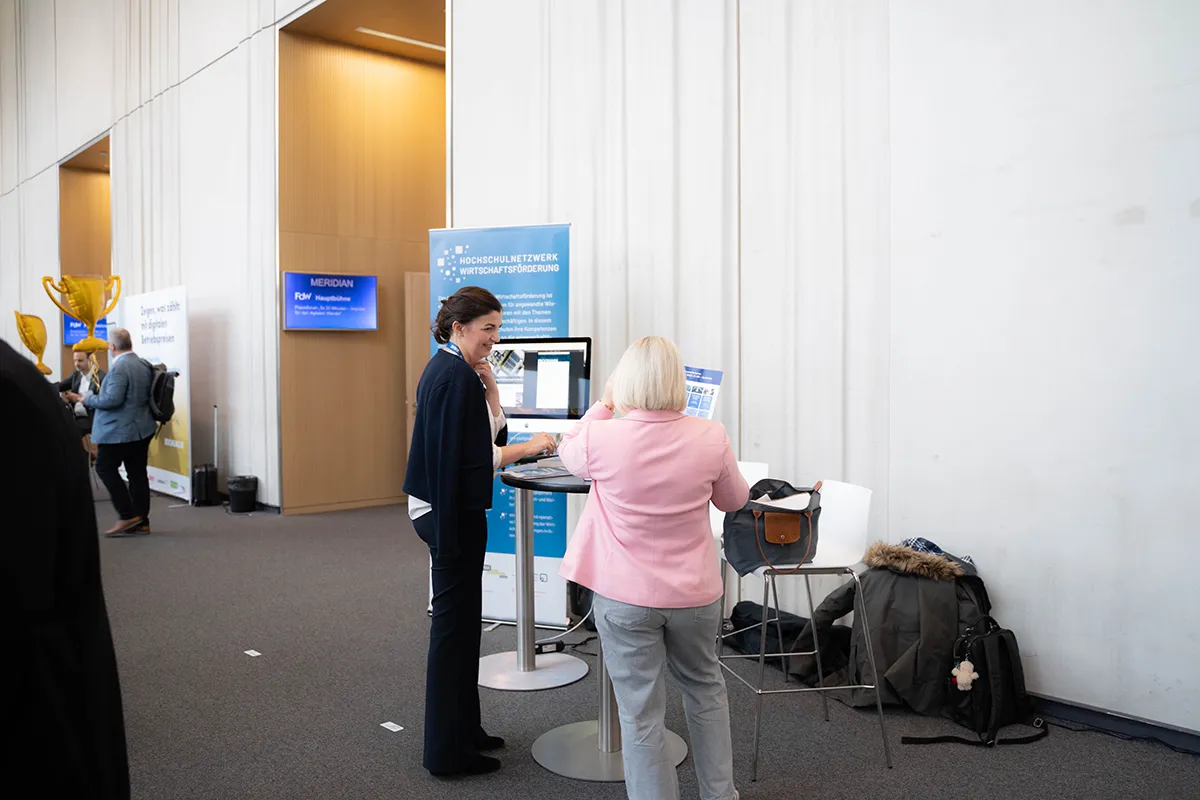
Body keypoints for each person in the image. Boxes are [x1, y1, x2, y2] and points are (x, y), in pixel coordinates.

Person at [558, 336, 750, 800]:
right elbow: (734, 501)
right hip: (695, 596)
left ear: (624, 381)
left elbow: (568, 448)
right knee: (705, 691)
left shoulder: (601, 439)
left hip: (624, 597)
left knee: (640, 714)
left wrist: (604, 403)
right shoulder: (711, 435)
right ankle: (720, 795)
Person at [403, 286, 558, 777]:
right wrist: (529, 448)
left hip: (449, 509)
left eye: (497, 328)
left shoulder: (457, 372)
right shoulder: (453, 378)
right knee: (453, 634)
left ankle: (465, 731)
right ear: (459, 327)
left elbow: (478, 438)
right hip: (448, 516)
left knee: (465, 627)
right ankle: (446, 753)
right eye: (488, 328)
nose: (495, 338)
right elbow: (475, 458)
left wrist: (491, 390)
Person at [1, 339, 130, 798]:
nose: (77, 364)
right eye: (74, 360)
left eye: (81, 359)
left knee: (116, 471)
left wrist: (83, 400)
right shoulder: (25, 384)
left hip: (37, 726)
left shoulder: (11, 395)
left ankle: (135, 515)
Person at [84, 328, 158, 537]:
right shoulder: (143, 364)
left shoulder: (119, 367)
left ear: (112, 346)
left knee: (104, 467)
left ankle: (127, 515)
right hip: (142, 428)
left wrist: (88, 399)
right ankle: (142, 521)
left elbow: (112, 400)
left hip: (120, 431)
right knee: (137, 474)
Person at [58, 350, 107, 436]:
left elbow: (102, 402)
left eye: (80, 361)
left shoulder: (102, 377)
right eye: (75, 360)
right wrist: (44, 385)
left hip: (92, 418)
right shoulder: (77, 373)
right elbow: (61, 386)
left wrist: (78, 399)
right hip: (76, 416)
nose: (76, 364)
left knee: (67, 432)